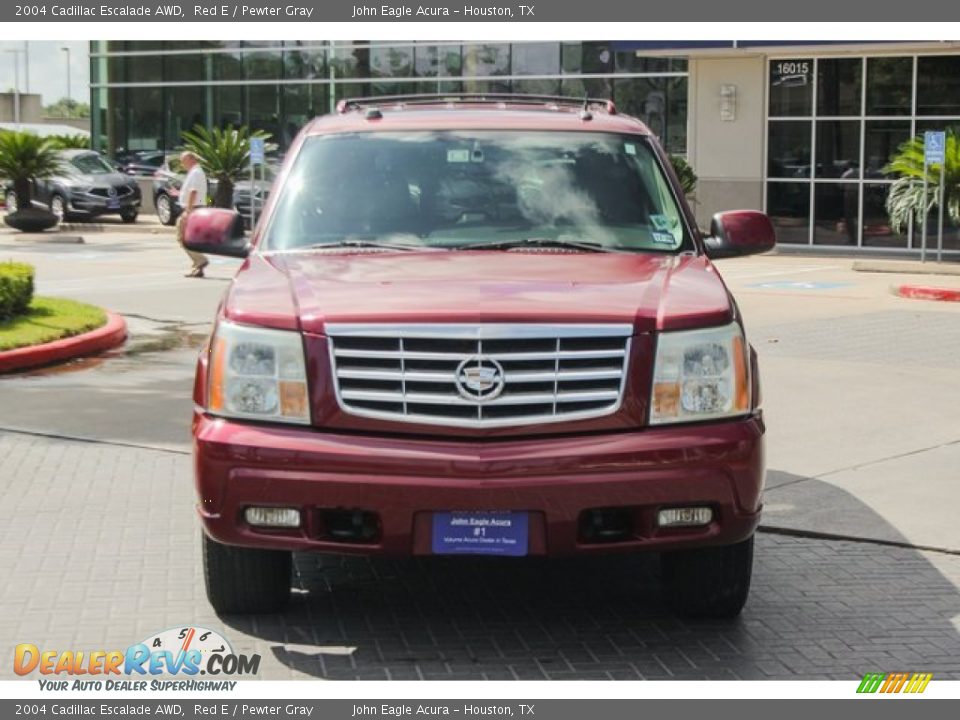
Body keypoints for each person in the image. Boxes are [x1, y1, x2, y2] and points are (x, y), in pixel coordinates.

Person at [176, 151, 209, 278]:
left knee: (183, 237)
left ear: (190, 159)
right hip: (193, 208)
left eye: (183, 161)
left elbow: (193, 191)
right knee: (189, 238)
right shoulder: (195, 172)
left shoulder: (196, 172)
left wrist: (188, 210)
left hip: (193, 209)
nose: (182, 164)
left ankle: (200, 260)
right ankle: (197, 266)